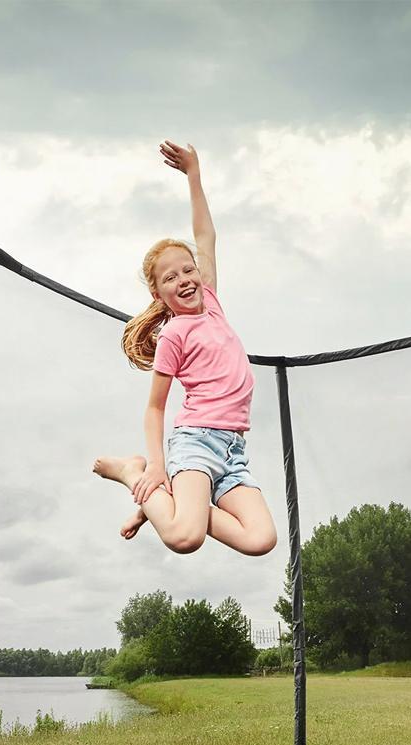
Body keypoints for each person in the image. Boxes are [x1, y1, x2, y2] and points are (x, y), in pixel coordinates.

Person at [93, 139, 277, 557]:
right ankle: (133, 472)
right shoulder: (175, 335)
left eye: (188, 269)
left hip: (233, 451)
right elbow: (156, 406)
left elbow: (205, 234)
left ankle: (170, 499)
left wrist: (194, 174)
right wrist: (157, 463)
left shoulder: (211, 303)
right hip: (195, 443)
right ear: (159, 294)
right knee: (183, 538)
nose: (185, 279)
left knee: (261, 539)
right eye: (171, 278)